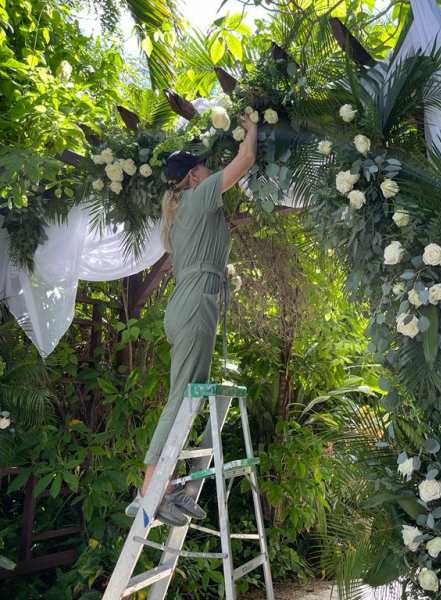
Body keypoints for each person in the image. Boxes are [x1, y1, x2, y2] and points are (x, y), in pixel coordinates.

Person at [126, 114, 258, 525]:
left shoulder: (186, 208)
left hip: (191, 303)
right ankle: (149, 491)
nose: (209, 169)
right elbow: (246, 159)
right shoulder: (198, 196)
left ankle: (176, 486)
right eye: (204, 165)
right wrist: (251, 127)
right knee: (182, 396)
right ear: (194, 175)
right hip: (196, 303)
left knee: (191, 396)